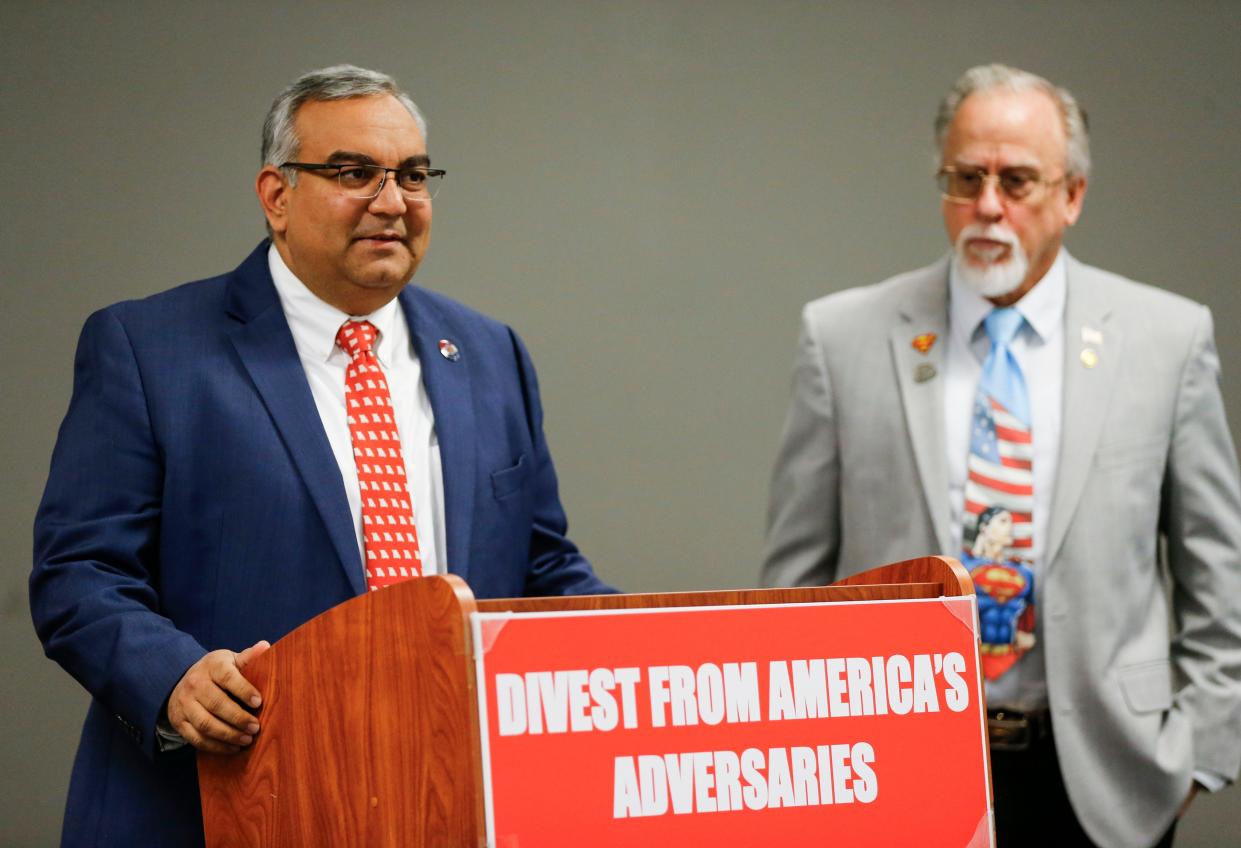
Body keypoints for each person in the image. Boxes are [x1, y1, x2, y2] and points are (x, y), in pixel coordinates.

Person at [30, 64, 613, 847]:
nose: (391, 201)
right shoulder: (148, 348)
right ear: (276, 194)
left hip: (439, 799)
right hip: (223, 799)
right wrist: (171, 679)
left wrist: (642, 647)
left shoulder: (486, 351)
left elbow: (540, 566)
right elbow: (79, 574)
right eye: (353, 173)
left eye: (411, 175)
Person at [761, 63, 1241, 847]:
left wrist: (1195, 757)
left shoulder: (1164, 341)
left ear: (1072, 195)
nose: (988, 207)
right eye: (965, 178)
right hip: (896, 773)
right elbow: (795, 584)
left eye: (1017, 181)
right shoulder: (843, 337)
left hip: (1107, 780)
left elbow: (1216, 575)